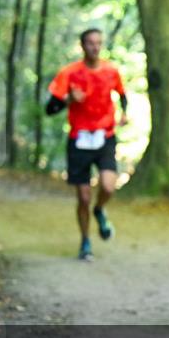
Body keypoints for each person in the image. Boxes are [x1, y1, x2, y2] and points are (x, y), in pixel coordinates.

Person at [46, 28, 128, 261]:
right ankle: (85, 241)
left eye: (98, 43)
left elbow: (122, 95)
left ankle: (99, 209)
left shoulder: (111, 71)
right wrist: (69, 100)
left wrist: (124, 114)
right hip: (79, 139)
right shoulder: (69, 73)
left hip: (105, 136)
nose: (95, 47)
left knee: (109, 186)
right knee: (82, 196)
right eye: (90, 43)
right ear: (82, 46)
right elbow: (50, 109)